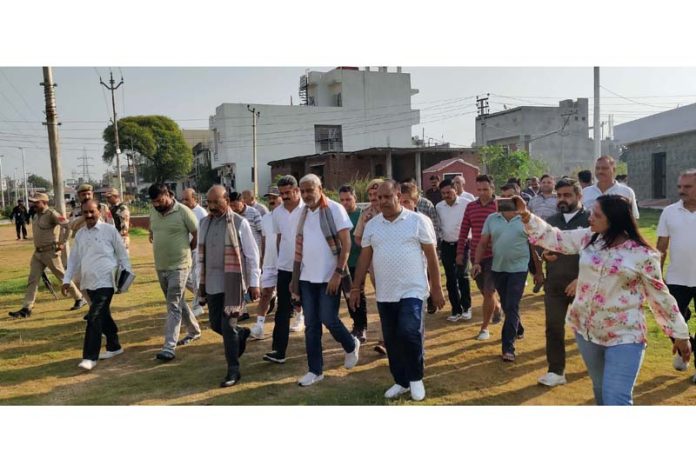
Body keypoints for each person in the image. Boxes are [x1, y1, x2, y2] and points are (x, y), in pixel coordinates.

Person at [518, 194, 691, 405]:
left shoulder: (643, 255)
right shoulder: (589, 238)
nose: (590, 218)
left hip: (625, 335)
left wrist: (680, 334)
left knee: (616, 398)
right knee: (600, 391)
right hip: (587, 333)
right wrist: (526, 216)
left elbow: (660, 296)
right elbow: (554, 237)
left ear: (614, 219)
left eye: (597, 215)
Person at [350, 180, 445, 401]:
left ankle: (416, 378)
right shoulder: (372, 225)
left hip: (413, 290)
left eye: (387, 196)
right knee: (392, 340)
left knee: (409, 331)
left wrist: (437, 289)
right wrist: (356, 287)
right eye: (379, 197)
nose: (382, 201)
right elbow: (364, 258)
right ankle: (401, 381)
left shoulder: (418, 221)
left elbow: (431, 256)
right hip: (385, 292)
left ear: (398, 195)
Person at [291, 174, 359, 387]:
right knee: (311, 325)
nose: (306, 195)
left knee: (329, 319)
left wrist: (338, 273)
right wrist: (295, 280)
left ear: (320, 188)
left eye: (310, 190)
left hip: (330, 277)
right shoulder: (302, 213)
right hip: (306, 278)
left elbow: (346, 244)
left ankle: (350, 344)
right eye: (302, 191)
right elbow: (299, 249)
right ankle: (315, 370)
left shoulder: (334, 209)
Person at [472, 184, 543, 361]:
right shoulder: (492, 219)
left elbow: (534, 247)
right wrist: (477, 262)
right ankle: (518, 328)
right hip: (498, 268)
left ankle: (508, 348)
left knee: (511, 306)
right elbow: (482, 243)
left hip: (519, 270)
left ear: (519, 197)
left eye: (510, 197)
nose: (506, 200)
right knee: (507, 304)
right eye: (502, 197)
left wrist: (538, 272)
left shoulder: (527, 220)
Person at [198, 185, 259, 387]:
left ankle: (233, 370)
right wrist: (200, 282)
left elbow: (251, 255)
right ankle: (241, 334)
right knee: (215, 324)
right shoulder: (204, 223)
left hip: (233, 283)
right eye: (209, 202)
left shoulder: (240, 223)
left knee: (227, 325)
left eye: (216, 202)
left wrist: (254, 283)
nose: (212, 206)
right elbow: (199, 255)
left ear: (226, 200)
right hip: (212, 282)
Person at [62, 200, 131, 371]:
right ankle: (114, 346)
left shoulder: (109, 230)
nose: (89, 215)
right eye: (85, 213)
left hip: (107, 281)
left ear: (99, 211)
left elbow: (122, 254)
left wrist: (127, 276)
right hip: (88, 282)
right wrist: (66, 279)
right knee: (102, 314)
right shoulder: (80, 235)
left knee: (93, 316)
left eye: (92, 212)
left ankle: (89, 357)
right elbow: (74, 259)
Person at [537, 179, 590, 387]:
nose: (562, 199)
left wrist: (581, 279)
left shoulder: (591, 220)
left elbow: (599, 255)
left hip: (584, 286)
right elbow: (539, 243)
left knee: (588, 329)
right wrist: (544, 254)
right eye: (559, 195)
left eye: (567, 195)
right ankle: (556, 371)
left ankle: (597, 366)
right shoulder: (551, 221)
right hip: (555, 285)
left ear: (579, 196)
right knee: (553, 328)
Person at [8, 193, 86, 318]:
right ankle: (27, 308)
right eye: (33, 202)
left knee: (62, 277)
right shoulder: (36, 215)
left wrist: (62, 242)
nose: (33, 204)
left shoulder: (52, 214)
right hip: (37, 253)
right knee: (32, 280)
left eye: (36, 202)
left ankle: (79, 297)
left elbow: (68, 226)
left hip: (50, 253)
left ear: (44, 202)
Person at [147, 183, 201, 361]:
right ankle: (194, 330)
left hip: (179, 265)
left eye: (159, 200)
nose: (156, 204)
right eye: (153, 202)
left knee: (173, 305)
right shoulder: (154, 212)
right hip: (161, 265)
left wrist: (187, 250)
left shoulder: (183, 211)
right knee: (178, 302)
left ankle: (169, 347)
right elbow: (152, 231)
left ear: (167, 194)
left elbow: (196, 233)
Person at [656, 169, 696, 372]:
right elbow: (661, 247)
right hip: (676, 278)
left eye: (687, 187)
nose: (682, 191)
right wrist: (657, 276)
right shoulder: (669, 212)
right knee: (670, 321)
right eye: (680, 186)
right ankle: (685, 349)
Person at [264, 175, 306, 364]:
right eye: (282, 194)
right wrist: (280, 260)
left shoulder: (308, 209)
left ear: (297, 191)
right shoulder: (277, 213)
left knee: (313, 310)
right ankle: (278, 350)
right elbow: (280, 238)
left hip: (307, 267)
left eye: (288, 192)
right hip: (285, 267)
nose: (285, 196)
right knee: (282, 310)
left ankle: (316, 348)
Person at [456, 175, 503, 340]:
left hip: (496, 255)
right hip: (476, 256)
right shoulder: (471, 207)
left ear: (492, 188)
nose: (482, 193)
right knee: (484, 290)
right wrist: (460, 253)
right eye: (479, 190)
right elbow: (463, 231)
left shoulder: (500, 206)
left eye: (485, 189)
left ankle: (484, 328)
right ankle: (496, 307)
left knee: (489, 291)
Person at [436, 178, 472, 322]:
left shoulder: (466, 204)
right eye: (443, 193)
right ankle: (455, 309)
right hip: (446, 244)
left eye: (448, 192)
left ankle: (466, 307)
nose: (446, 195)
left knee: (462, 275)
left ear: (455, 189)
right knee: (450, 278)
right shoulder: (439, 207)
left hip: (463, 243)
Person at [250, 187, 282, 340]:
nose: (271, 200)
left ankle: (299, 316)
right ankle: (259, 325)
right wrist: (261, 261)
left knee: (291, 294)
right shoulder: (266, 218)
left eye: (274, 197)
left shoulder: (288, 216)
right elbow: (263, 240)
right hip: (269, 263)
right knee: (265, 294)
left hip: (285, 263)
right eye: (269, 197)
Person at [339, 184, 368, 343]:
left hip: (358, 262)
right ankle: (356, 324)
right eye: (342, 200)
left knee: (359, 293)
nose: (345, 203)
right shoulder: (337, 215)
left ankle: (361, 326)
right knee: (348, 295)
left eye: (348, 199)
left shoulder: (362, 215)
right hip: (343, 263)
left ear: (355, 198)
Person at [181, 188, 208, 317]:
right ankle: (204, 295)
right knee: (185, 278)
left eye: (187, 199)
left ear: (195, 199)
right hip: (185, 250)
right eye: (183, 199)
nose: (184, 202)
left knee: (196, 278)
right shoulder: (183, 211)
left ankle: (197, 306)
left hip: (198, 250)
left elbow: (203, 232)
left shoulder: (201, 212)